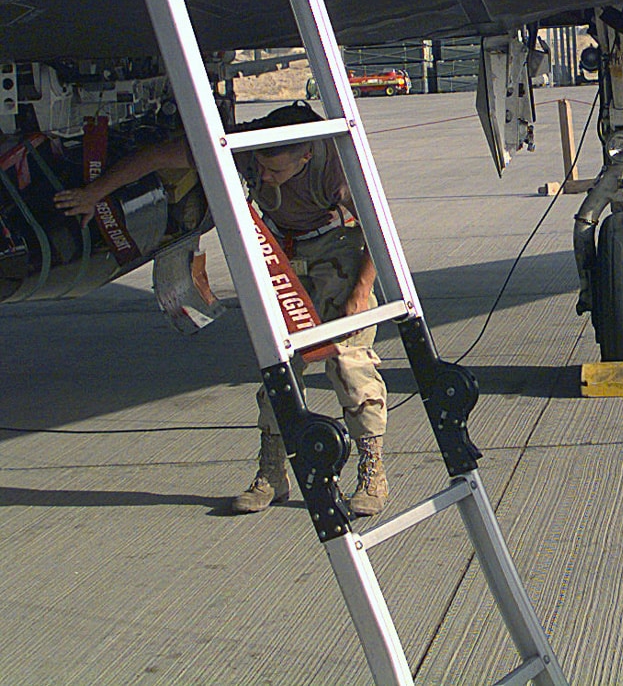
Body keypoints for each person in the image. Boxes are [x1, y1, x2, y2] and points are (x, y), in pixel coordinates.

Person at [54, 103, 391, 517]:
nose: (265, 177)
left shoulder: (333, 165)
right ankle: (273, 474)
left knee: (348, 364)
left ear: (305, 156)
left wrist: (361, 289)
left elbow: (378, 226)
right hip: (281, 256)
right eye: (262, 170)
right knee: (278, 369)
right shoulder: (245, 145)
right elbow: (156, 155)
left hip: (339, 256)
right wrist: (94, 194)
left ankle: (371, 472)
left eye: (277, 172)